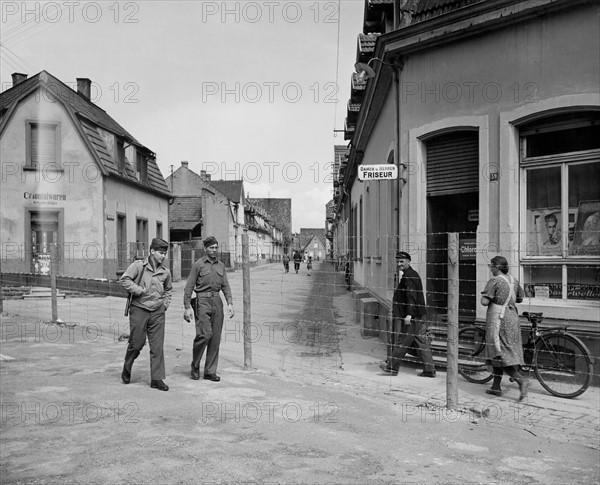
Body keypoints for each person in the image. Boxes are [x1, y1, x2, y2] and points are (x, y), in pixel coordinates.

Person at [120, 238, 173, 391]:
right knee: (137, 343)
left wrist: (165, 305)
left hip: (157, 311)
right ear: (152, 251)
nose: (163, 256)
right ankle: (128, 364)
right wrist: (139, 290)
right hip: (139, 308)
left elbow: (169, 289)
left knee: (157, 346)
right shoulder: (138, 266)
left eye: (165, 253)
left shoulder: (165, 271)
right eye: (160, 253)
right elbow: (124, 280)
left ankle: (157, 379)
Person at [184, 236, 234, 382]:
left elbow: (225, 285)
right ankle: (195, 365)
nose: (214, 250)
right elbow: (189, 287)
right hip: (202, 301)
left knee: (215, 338)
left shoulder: (221, 266)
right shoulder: (198, 265)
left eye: (216, 247)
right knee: (204, 335)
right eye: (211, 247)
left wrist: (229, 303)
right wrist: (187, 306)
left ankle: (210, 371)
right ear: (205, 249)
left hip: (217, 302)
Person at [379, 251, 436, 378]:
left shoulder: (408, 277)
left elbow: (411, 297)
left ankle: (392, 368)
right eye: (398, 262)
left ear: (408, 262)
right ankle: (429, 369)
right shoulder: (412, 274)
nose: (399, 264)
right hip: (419, 314)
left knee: (402, 342)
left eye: (402, 262)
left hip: (412, 317)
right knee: (421, 342)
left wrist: (409, 314)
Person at [481, 255, 528, 401]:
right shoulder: (514, 280)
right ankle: (496, 387)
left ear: (496, 267)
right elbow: (520, 298)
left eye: (491, 266)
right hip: (512, 318)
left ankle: (520, 380)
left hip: (499, 319)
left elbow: (484, 301)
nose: (490, 269)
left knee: (498, 352)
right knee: (503, 351)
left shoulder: (494, 281)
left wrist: (488, 297)